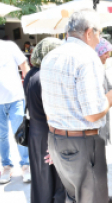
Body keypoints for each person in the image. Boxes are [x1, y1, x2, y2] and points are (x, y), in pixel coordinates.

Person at [40, 9, 112, 203]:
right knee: (93, 199)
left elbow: (49, 107)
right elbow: (92, 114)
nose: (99, 39)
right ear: (89, 32)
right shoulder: (87, 57)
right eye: (99, 33)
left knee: (75, 196)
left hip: (56, 139)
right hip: (82, 143)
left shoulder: (50, 56)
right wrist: (110, 98)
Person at [0, 20, 31, 184]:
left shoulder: (9, 47)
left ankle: (25, 166)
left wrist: (29, 88)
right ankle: (7, 167)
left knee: (20, 133)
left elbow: (24, 66)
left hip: (15, 99)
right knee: (2, 137)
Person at [24, 38, 66, 203]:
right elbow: (52, 113)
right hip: (49, 134)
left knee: (41, 182)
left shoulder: (31, 74)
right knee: (56, 182)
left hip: (35, 133)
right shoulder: (46, 77)